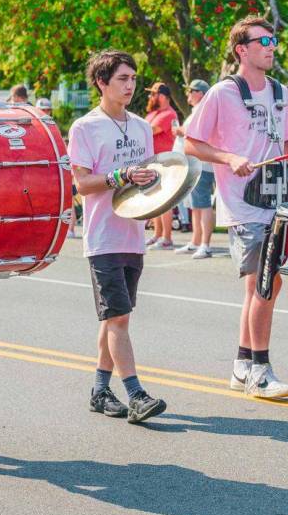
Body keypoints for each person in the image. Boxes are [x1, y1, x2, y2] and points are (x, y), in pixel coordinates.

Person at [185, 15, 288, 399]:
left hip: (277, 199)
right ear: (242, 49)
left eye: (273, 40)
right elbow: (191, 142)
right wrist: (228, 158)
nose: (271, 46)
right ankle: (260, 369)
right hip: (243, 205)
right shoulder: (222, 93)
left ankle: (242, 366)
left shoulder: (280, 92)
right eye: (263, 41)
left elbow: (282, 146)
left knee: (266, 285)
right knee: (263, 284)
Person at [68, 50, 167, 424]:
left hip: (133, 235)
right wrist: (120, 176)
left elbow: (152, 174)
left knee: (114, 321)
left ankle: (99, 390)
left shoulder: (142, 126)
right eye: (123, 78)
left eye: (133, 78)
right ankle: (136, 394)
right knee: (119, 319)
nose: (130, 85)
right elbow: (80, 184)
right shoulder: (85, 128)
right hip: (103, 238)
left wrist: (159, 184)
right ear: (102, 83)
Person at [173, 79, 215, 259]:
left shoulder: (203, 111)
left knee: (203, 205)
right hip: (196, 164)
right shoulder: (197, 111)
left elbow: (193, 134)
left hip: (202, 164)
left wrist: (181, 131)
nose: (188, 94)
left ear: (200, 93)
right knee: (197, 206)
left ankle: (205, 244)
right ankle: (196, 241)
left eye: (191, 91)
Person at [144, 82, 179, 250]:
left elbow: (149, 130)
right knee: (155, 200)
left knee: (164, 202)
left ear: (163, 97)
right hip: (154, 162)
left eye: (153, 94)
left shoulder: (168, 114)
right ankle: (157, 234)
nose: (150, 97)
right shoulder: (155, 113)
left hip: (164, 162)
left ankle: (167, 237)